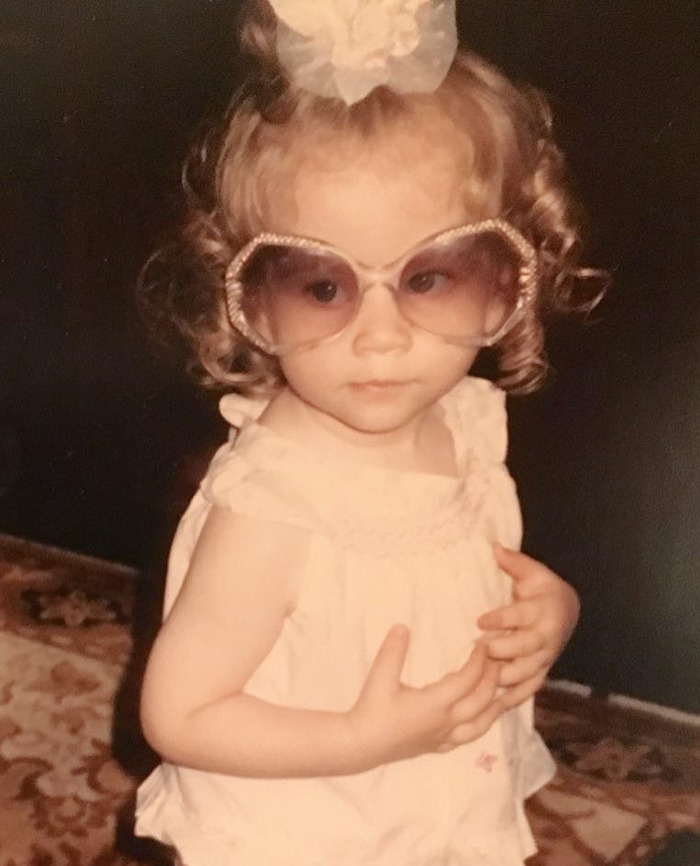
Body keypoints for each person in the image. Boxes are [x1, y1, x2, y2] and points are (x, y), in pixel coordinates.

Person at [135, 1, 604, 863]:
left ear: (507, 280)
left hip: (424, 807)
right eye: (323, 287)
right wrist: (360, 739)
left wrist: (552, 611)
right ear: (249, 299)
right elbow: (179, 713)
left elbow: (468, 577)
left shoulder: (465, 424)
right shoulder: (275, 506)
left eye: (431, 277)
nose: (381, 338)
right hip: (313, 825)